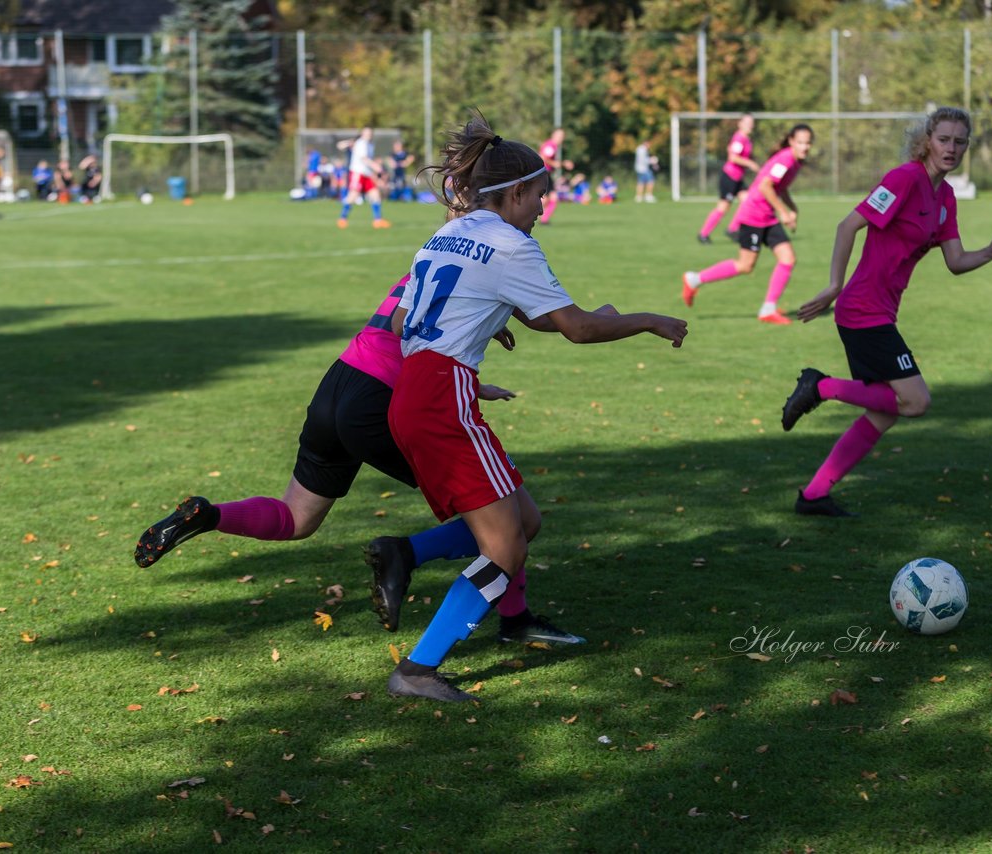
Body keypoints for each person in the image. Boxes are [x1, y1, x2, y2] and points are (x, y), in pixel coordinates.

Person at [384, 112, 688, 702]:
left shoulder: (446, 232)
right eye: (540, 197)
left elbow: (406, 317)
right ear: (516, 192)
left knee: (525, 521)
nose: (543, 209)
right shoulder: (512, 244)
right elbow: (574, 329)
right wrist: (648, 319)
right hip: (442, 397)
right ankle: (417, 670)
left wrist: (485, 321)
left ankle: (405, 553)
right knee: (505, 545)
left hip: (418, 391)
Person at [135, 271, 584, 646]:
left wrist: (474, 381)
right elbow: (408, 333)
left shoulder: (433, 257)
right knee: (505, 516)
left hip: (341, 381)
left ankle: (208, 516)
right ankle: (460, 587)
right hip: (384, 400)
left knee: (297, 517)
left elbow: (412, 327)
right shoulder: (480, 258)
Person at [780, 106, 992, 517]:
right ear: (927, 140)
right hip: (862, 309)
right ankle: (820, 387)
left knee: (884, 413)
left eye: (960, 141)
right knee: (915, 401)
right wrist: (834, 286)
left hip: (881, 312)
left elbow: (955, 261)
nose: (952, 148)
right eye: (944, 139)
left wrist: (989, 254)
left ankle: (814, 495)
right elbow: (848, 225)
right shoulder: (904, 178)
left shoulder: (945, 197)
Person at [681, 124, 814, 324]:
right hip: (754, 215)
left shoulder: (795, 161)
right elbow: (765, 186)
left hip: (768, 216)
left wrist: (793, 209)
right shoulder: (786, 158)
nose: (805, 147)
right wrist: (783, 211)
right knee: (745, 265)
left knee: (787, 258)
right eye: (801, 142)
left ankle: (768, 309)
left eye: (808, 142)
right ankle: (694, 279)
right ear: (792, 141)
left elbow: (781, 188)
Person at [698, 114, 759, 243]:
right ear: (740, 123)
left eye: (751, 122)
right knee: (723, 207)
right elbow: (733, 157)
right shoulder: (739, 138)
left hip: (738, 178)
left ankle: (732, 229)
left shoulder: (747, 139)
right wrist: (750, 163)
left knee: (748, 201)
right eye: (747, 122)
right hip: (730, 177)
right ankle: (703, 234)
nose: (750, 125)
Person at [336, 127, 389, 229]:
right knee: (353, 195)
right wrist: (377, 167)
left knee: (375, 194)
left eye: (370, 133)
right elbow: (364, 159)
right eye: (366, 133)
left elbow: (367, 159)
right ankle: (342, 219)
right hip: (358, 173)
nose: (368, 135)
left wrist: (373, 170)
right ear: (362, 134)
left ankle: (378, 220)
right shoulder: (361, 143)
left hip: (367, 174)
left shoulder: (370, 144)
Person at [537, 127, 572, 225]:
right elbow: (543, 157)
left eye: (562, 136)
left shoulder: (552, 146)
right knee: (547, 199)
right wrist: (556, 164)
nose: (562, 138)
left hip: (546, 173)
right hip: (544, 173)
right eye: (560, 136)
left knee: (553, 198)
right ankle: (524, 213)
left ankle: (544, 220)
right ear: (554, 135)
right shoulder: (551, 145)